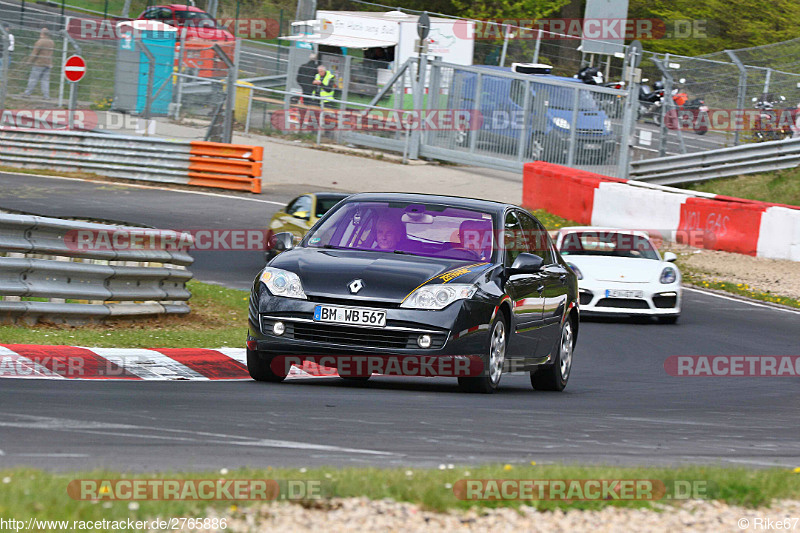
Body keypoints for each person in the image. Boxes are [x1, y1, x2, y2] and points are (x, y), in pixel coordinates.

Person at [23, 28, 54, 99]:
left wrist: (29, 61)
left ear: (42, 34)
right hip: (48, 63)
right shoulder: (51, 42)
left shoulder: (40, 42)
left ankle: (27, 93)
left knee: (33, 79)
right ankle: (46, 96)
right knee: (45, 80)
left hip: (39, 63)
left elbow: (35, 53)